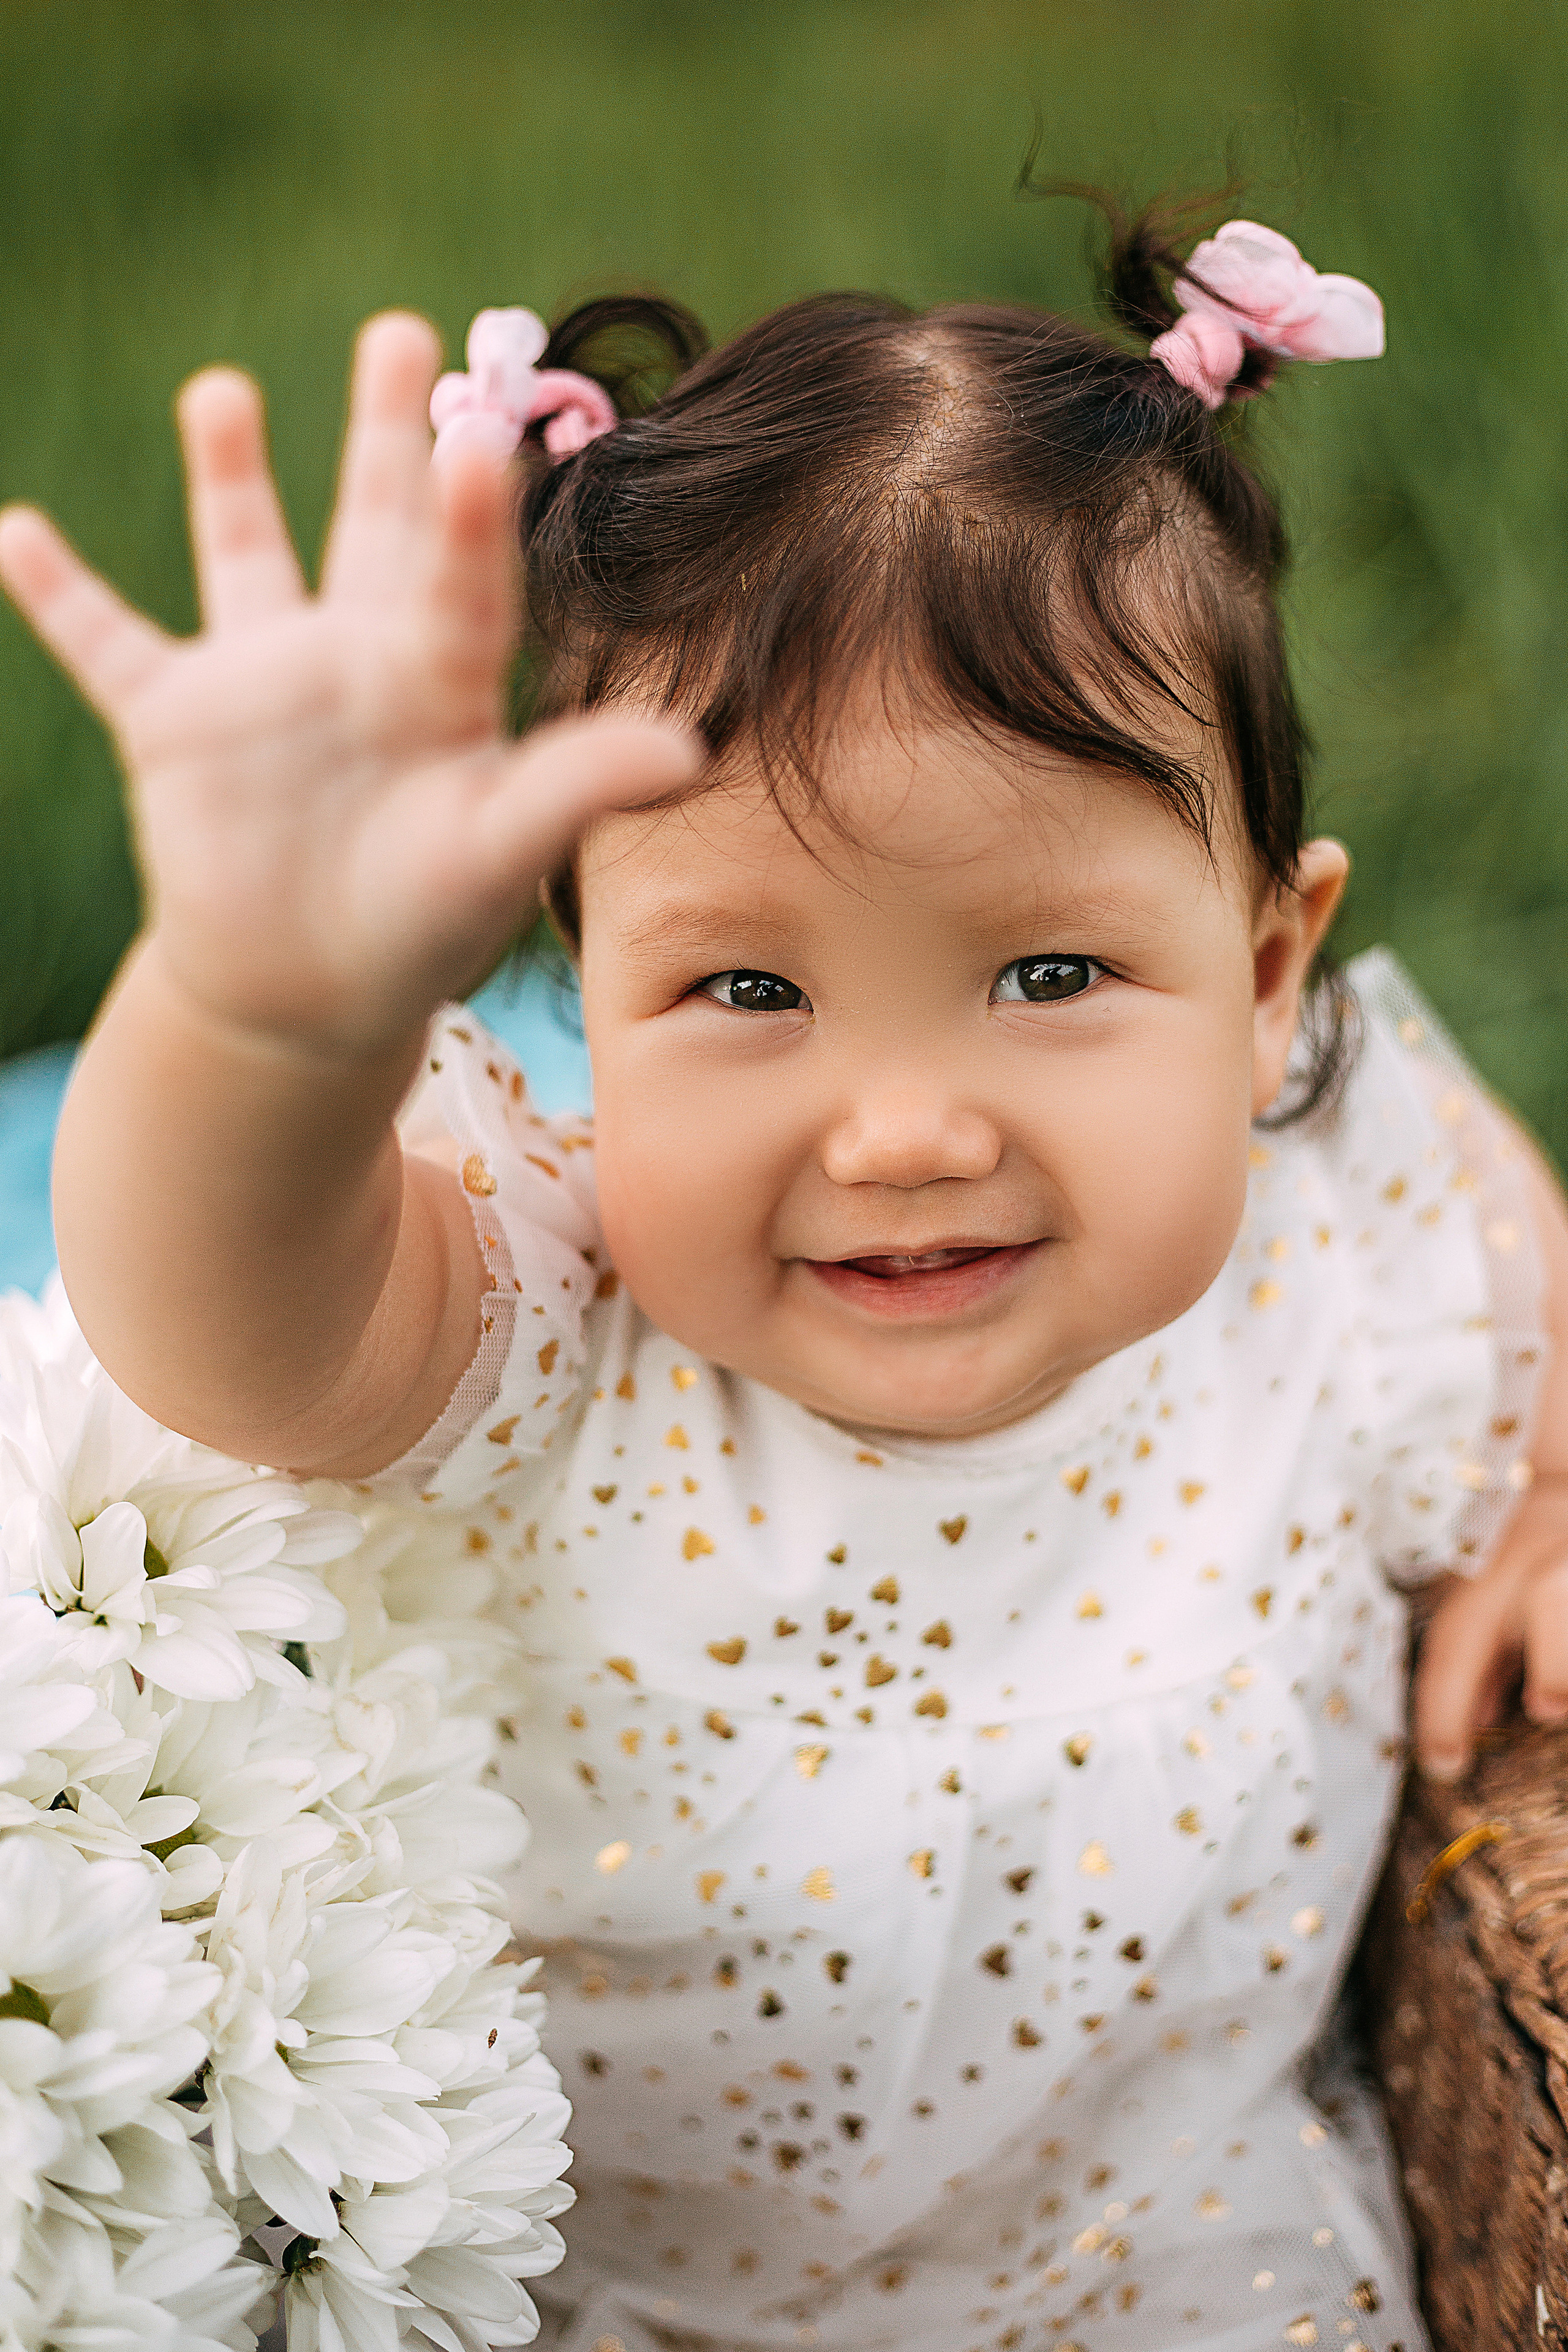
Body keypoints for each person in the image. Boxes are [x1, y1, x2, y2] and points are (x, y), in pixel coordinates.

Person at [3, 200, 1566, 2352]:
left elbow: (1501, 1227)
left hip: (1201, 2262)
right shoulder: (569, 1328)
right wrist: (266, 1018)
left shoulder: (1333, 1237)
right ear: (584, 1002)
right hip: (626, 2305)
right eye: (747, 985)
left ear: (1272, 980)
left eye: (1048, 970)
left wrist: (1553, 1473)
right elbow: (233, 1321)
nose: (903, 1129)